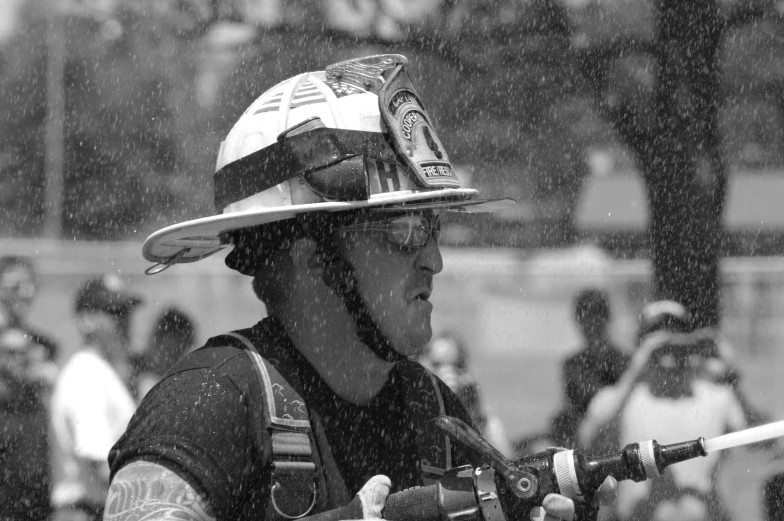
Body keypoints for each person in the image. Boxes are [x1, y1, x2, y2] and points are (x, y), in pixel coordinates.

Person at [105, 54, 616, 521]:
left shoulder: (434, 416)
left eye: (432, 226)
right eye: (404, 229)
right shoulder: (208, 404)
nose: (434, 259)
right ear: (313, 263)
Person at [578, 300, 748, 521]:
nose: (668, 345)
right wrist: (635, 368)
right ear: (640, 345)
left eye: (676, 335)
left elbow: (760, 442)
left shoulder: (717, 396)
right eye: (657, 336)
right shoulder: (622, 398)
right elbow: (586, 443)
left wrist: (730, 371)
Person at [49, 274, 142, 521]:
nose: (124, 321)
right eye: (113, 312)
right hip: (86, 512)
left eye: (127, 312)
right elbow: (101, 464)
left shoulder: (102, 371)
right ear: (85, 321)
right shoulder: (86, 374)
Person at [0, 255, 59, 521]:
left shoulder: (43, 345)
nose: (25, 292)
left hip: (32, 468)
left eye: (30, 285)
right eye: (15, 285)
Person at [549, 289, 630, 447]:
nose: (591, 324)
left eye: (596, 317)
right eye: (586, 318)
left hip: (617, 434)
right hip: (585, 440)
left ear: (606, 318)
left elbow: (609, 403)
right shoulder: (572, 365)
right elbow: (572, 407)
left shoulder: (624, 361)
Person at [419, 330, 514, 457]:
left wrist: (466, 406)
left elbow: (508, 469)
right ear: (423, 363)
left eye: (455, 365)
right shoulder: (413, 406)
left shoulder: (487, 425)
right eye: (437, 364)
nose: (447, 373)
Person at [132, 306, 196, 400]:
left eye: (178, 354)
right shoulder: (128, 371)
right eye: (169, 351)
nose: (170, 360)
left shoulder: (183, 385)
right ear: (154, 339)